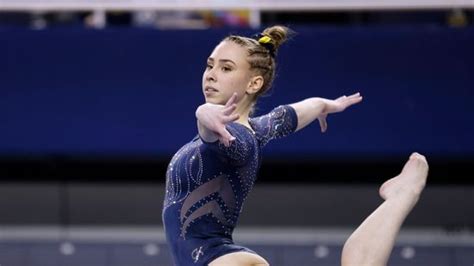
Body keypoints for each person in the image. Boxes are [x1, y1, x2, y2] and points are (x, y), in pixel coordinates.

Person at [161, 25, 428, 266]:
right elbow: (289, 115)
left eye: (226, 68)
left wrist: (203, 113)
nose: (211, 75)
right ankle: (401, 196)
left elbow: (213, 132)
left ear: (255, 83)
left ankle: (404, 195)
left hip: (222, 261)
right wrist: (324, 105)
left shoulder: (237, 139)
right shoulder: (258, 129)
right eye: (210, 65)